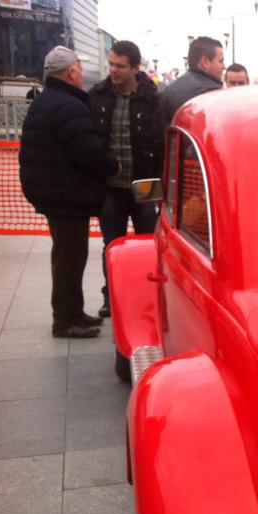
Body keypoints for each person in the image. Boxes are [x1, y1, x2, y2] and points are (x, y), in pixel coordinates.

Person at [19, 46, 119, 338]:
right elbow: (87, 152)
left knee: (66, 256)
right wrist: (114, 166)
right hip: (65, 195)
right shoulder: (68, 105)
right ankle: (65, 321)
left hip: (55, 192)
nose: (81, 73)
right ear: (71, 72)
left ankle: (73, 312)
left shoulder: (48, 100)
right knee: (69, 260)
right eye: (79, 68)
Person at [88, 39, 163, 318]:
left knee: (148, 247)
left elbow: (161, 144)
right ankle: (111, 297)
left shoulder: (153, 99)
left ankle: (148, 297)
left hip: (145, 186)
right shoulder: (98, 96)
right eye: (111, 64)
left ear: (135, 68)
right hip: (110, 189)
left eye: (120, 66)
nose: (113, 70)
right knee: (112, 246)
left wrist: (163, 185)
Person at [159, 36, 224, 124]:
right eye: (221, 61)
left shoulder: (168, 91)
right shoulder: (212, 93)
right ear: (205, 62)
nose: (224, 66)